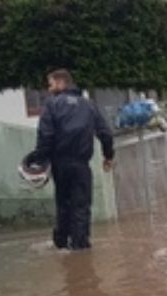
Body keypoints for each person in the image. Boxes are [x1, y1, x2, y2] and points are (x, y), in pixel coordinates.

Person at [32, 69, 114, 250]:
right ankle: (80, 247)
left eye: (51, 84)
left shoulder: (51, 105)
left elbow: (45, 136)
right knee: (81, 207)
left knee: (63, 204)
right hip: (81, 165)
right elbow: (105, 134)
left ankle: (61, 243)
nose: (49, 88)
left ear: (62, 83)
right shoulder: (89, 105)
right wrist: (108, 156)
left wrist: (40, 162)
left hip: (60, 165)